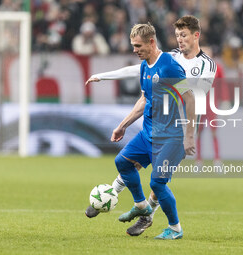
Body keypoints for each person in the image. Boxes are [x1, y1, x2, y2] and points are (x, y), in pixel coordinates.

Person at [85, 15, 216, 237]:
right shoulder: (161, 60)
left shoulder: (200, 64)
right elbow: (140, 78)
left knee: (157, 183)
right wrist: (104, 77)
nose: (179, 40)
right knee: (126, 163)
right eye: (176, 35)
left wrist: (190, 135)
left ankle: (168, 225)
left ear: (196, 36)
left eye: (183, 35)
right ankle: (136, 206)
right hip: (151, 129)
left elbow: (195, 98)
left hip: (176, 130)